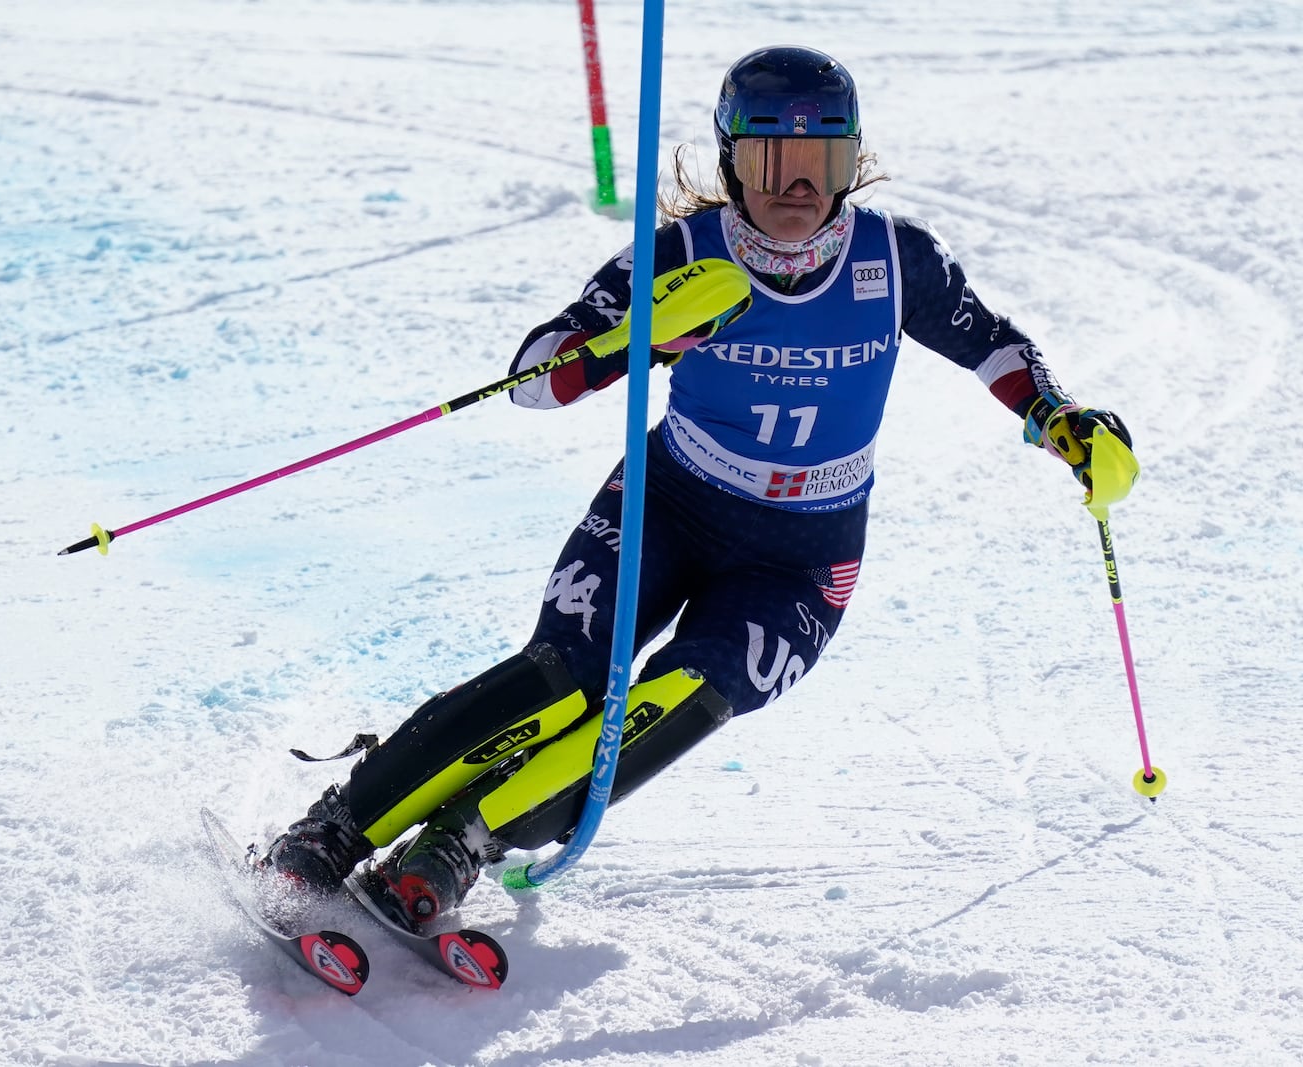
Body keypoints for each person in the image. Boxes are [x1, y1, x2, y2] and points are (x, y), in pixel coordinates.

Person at [257, 45, 1135, 924]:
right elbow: (529, 380)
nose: (796, 188)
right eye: (770, 160)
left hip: (801, 556)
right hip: (670, 503)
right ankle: (331, 830)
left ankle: (460, 844)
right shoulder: (679, 253)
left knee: (681, 698)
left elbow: (997, 347)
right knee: (565, 677)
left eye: (821, 162)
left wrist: (1065, 423)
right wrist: (643, 336)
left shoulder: (895, 260)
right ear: (729, 160)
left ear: (849, 164)